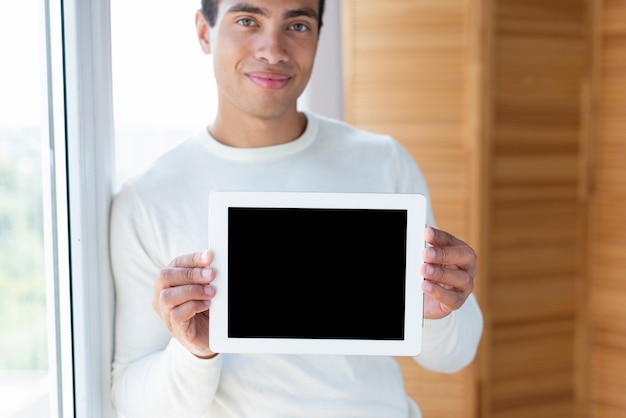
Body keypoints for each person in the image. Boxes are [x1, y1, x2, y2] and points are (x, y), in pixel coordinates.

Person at [109, 0, 483, 417]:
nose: (273, 50)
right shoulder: (148, 199)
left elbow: (454, 355)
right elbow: (129, 397)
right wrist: (194, 352)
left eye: (298, 25)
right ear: (203, 31)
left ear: (319, 36)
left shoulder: (383, 162)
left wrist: (439, 311)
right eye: (247, 20)